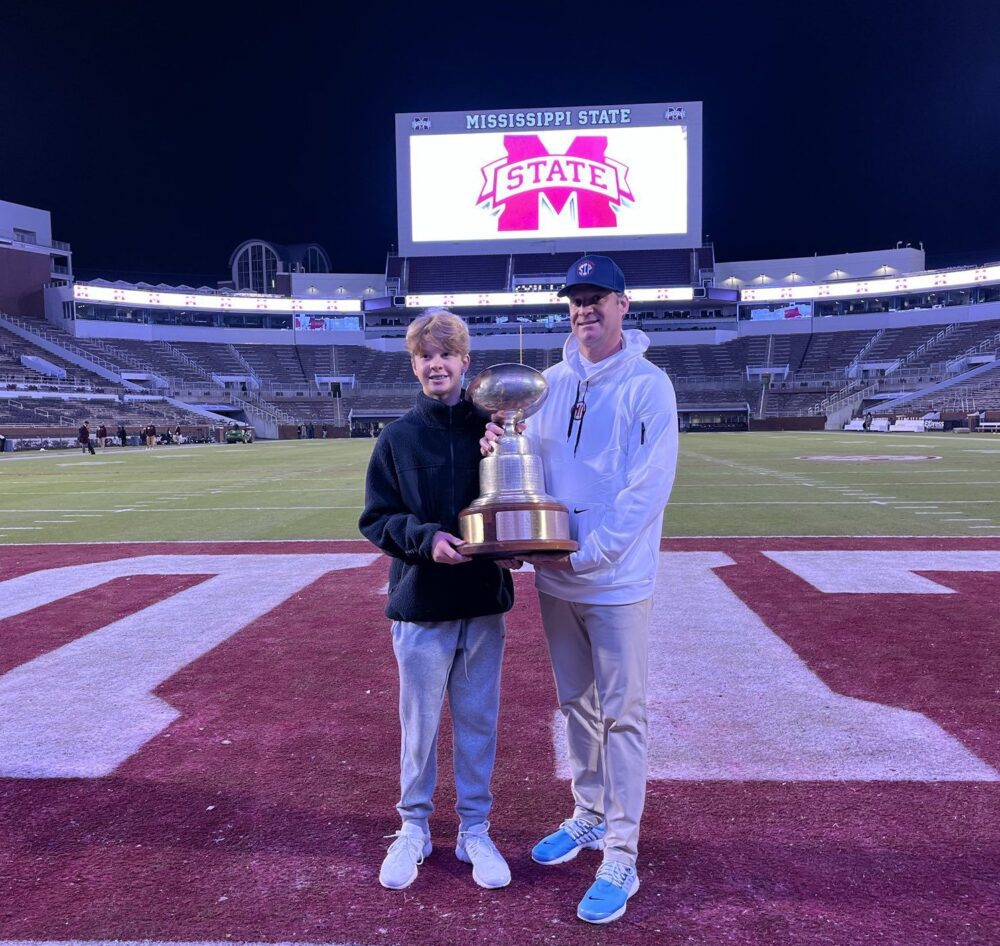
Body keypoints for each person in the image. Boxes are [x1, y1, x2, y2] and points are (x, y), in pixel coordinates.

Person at [482, 255, 678, 925]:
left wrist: (591, 553)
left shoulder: (649, 386)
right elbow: (529, 469)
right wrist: (500, 449)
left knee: (624, 715)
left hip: (617, 581)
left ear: (624, 304)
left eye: (597, 297)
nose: (584, 308)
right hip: (556, 577)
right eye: (576, 299)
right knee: (577, 707)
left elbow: (647, 489)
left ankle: (622, 852)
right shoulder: (548, 383)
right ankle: (590, 814)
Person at [359, 309, 516, 893]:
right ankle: (413, 827)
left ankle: (475, 827)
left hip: (480, 601)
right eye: (425, 356)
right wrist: (426, 540)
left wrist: (514, 540)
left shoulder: (497, 430)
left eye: (446, 354)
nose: (436, 364)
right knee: (419, 725)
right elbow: (376, 519)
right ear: (414, 365)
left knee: (478, 723)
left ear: (465, 362)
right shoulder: (397, 437)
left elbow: (515, 504)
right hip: (422, 602)